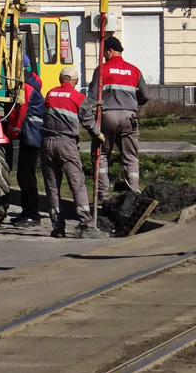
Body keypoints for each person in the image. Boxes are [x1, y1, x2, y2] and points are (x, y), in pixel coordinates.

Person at [40, 66, 107, 238]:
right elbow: (87, 119)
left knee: (52, 187)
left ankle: (57, 227)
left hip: (47, 144)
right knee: (77, 183)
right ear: (76, 81)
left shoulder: (50, 93)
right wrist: (98, 133)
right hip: (66, 144)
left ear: (60, 79)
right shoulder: (78, 96)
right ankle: (86, 225)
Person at [88, 36, 150, 199]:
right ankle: (133, 192)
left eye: (104, 52)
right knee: (130, 156)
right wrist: (133, 102)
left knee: (101, 155)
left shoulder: (101, 69)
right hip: (129, 117)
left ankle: (102, 193)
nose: (102, 56)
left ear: (110, 51)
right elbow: (146, 95)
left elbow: (93, 96)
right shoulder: (135, 70)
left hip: (107, 116)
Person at [11, 56, 46, 227]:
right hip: (31, 134)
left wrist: (12, 131)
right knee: (23, 175)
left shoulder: (27, 87)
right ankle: (27, 212)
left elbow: (21, 112)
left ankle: (33, 214)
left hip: (31, 135)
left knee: (27, 176)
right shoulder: (29, 84)